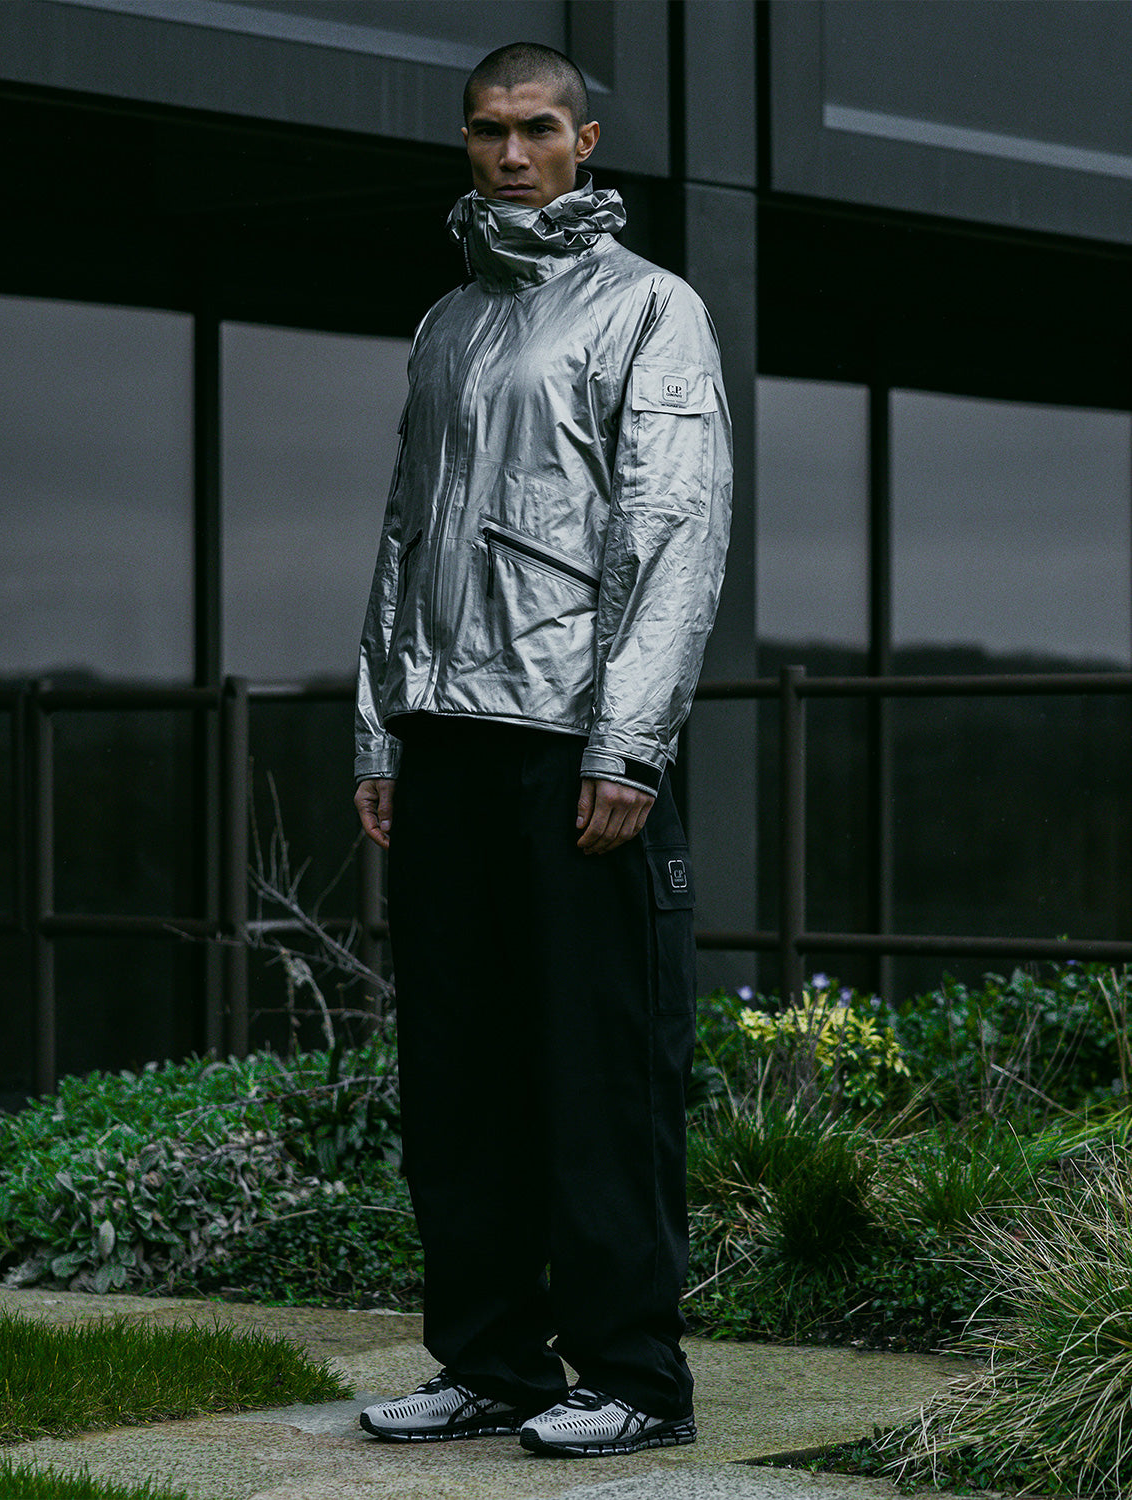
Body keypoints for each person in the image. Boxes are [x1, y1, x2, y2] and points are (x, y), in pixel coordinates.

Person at [352, 41, 733, 1459]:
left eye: (534, 130)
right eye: (484, 132)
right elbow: (403, 533)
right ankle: (491, 1362)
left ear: (583, 142)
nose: (508, 155)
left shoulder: (650, 308)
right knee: (459, 1075)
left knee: (599, 1071)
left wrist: (628, 745)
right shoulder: (447, 322)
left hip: (573, 749)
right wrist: (380, 722)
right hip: (445, 743)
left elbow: (675, 528)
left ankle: (635, 1377)